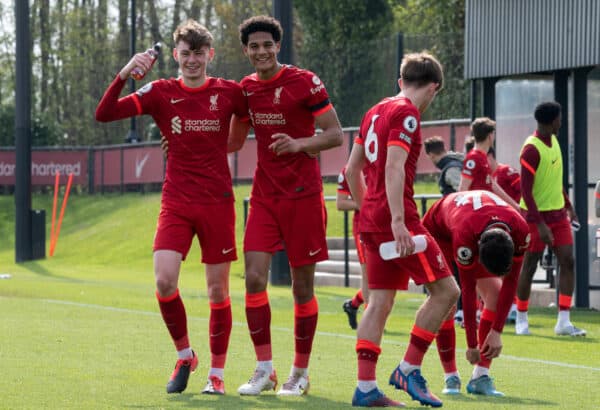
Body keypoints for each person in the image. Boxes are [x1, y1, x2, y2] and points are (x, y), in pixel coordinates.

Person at [95, 20, 249, 395]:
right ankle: (185, 355)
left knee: (217, 292)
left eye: (199, 53)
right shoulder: (159, 92)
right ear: (176, 55)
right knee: (164, 281)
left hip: (216, 202)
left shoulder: (229, 92)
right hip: (176, 201)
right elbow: (104, 113)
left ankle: (217, 373)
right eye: (185, 53)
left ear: (210, 55)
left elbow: (244, 124)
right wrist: (125, 73)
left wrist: (224, 148)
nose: (192, 60)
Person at [231, 16, 344, 396]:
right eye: (253, 46)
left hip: (304, 196)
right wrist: (181, 143)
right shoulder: (245, 89)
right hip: (264, 195)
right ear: (245, 51)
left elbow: (335, 135)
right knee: (254, 278)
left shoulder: (305, 82)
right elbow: (231, 140)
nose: (261, 51)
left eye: (267, 45)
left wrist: (299, 144)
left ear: (277, 47)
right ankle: (265, 369)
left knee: (301, 289)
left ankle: (301, 372)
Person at [345, 51, 460, 408]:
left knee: (378, 302)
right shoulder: (407, 113)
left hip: (370, 220)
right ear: (434, 88)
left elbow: (351, 171)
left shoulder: (373, 111)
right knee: (446, 292)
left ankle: (365, 389)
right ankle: (408, 369)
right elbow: (394, 167)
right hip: (400, 219)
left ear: (400, 82)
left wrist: (371, 212)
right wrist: (396, 221)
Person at [423, 190, 529, 397]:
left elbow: (511, 283)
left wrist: (497, 331)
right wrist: (472, 345)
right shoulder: (466, 236)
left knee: (496, 293)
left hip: (479, 224)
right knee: (447, 301)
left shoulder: (521, 232)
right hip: (438, 230)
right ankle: (450, 376)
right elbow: (468, 291)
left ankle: (480, 376)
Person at [515, 101, 586, 337]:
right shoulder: (531, 149)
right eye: (559, 118)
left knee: (568, 261)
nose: (562, 122)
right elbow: (526, 191)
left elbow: (554, 181)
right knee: (530, 265)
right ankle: (521, 318)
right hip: (536, 217)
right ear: (551, 121)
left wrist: (569, 206)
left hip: (558, 214)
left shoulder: (554, 141)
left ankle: (564, 321)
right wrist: (540, 224)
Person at [423, 136, 465, 326]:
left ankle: (463, 310)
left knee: (459, 267)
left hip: (460, 223)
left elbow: (462, 192)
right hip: (459, 222)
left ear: (431, 154)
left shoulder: (451, 168)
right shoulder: (454, 163)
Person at [458, 118, 520, 210]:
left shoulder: (483, 157)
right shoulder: (473, 158)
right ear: (490, 136)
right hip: (476, 212)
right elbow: (463, 188)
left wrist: (514, 206)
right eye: (494, 133)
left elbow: (492, 184)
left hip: (485, 209)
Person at [337, 166, 369, 330]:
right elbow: (340, 203)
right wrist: (364, 203)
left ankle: (353, 304)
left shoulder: (386, 162)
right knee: (369, 276)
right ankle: (371, 320)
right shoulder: (350, 170)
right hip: (363, 227)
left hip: (387, 224)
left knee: (383, 278)